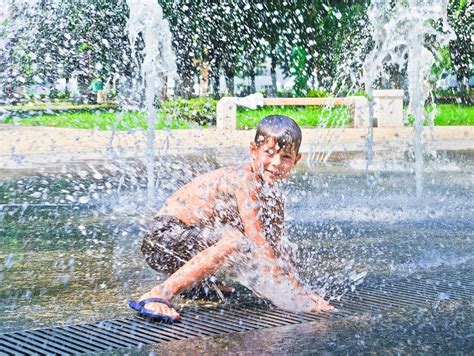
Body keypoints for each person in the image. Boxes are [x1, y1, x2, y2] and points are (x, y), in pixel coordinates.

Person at [129, 115, 334, 321]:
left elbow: (276, 247)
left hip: (185, 246)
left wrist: (298, 288)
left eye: (286, 157)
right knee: (235, 240)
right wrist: (296, 295)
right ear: (254, 150)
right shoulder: (245, 181)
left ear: (297, 159)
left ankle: (196, 285)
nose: (276, 163)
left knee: (276, 248)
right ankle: (159, 294)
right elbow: (259, 241)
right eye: (268, 153)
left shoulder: (274, 195)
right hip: (161, 241)